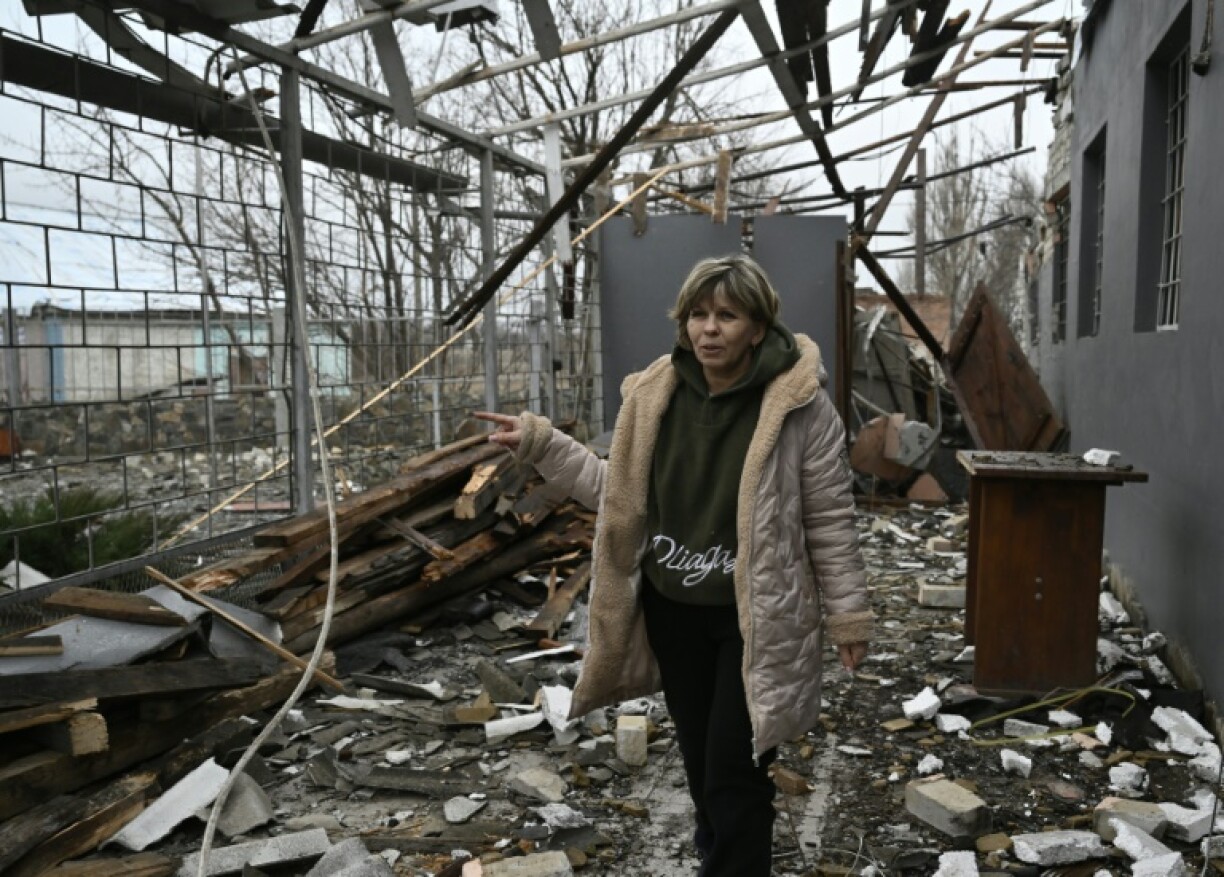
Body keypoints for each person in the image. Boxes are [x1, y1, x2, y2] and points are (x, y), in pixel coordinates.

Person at [475, 253, 872, 876]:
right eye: (697, 314)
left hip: (756, 619)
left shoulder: (799, 404)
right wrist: (542, 445)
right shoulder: (654, 393)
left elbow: (828, 517)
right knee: (701, 768)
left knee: (733, 776)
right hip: (673, 613)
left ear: (759, 327)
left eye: (727, 315)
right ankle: (722, 857)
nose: (709, 329)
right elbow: (619, 493)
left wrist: (849, 615)